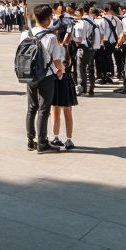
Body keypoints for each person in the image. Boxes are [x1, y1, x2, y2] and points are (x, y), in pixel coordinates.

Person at [23, 5, 62, 153]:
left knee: (31, 108)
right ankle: (42, 143)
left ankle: (30, 141)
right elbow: (57, 59)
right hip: (46, 75)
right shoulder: (51, 37)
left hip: (30, 74)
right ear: (50, 18)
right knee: (44, 109)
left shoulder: (26, 33)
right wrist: (61, 70)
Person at [49, 19, 77, 151]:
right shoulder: (66, 46)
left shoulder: (56, 46)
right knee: (68, 111)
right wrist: (69, 29)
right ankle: (69, 139)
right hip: (67, 80)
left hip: (56, 78)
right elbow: (67, 37)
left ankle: (55, 136)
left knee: (55, 110)